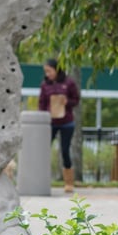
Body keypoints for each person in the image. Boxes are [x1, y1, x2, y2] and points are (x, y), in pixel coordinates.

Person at [38, 58, 81, 193]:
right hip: (50, 123)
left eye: (49, 71)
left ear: (56, 69)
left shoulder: (69, 83)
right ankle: (41, 178)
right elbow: (42, 103)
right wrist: (43, 117)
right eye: (46, 71)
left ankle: (69, 183)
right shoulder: (45, 85)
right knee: (44, 150)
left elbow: (76, 100)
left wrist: (67, 101)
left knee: (65, 150)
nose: (47, 74)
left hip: (66, 122)